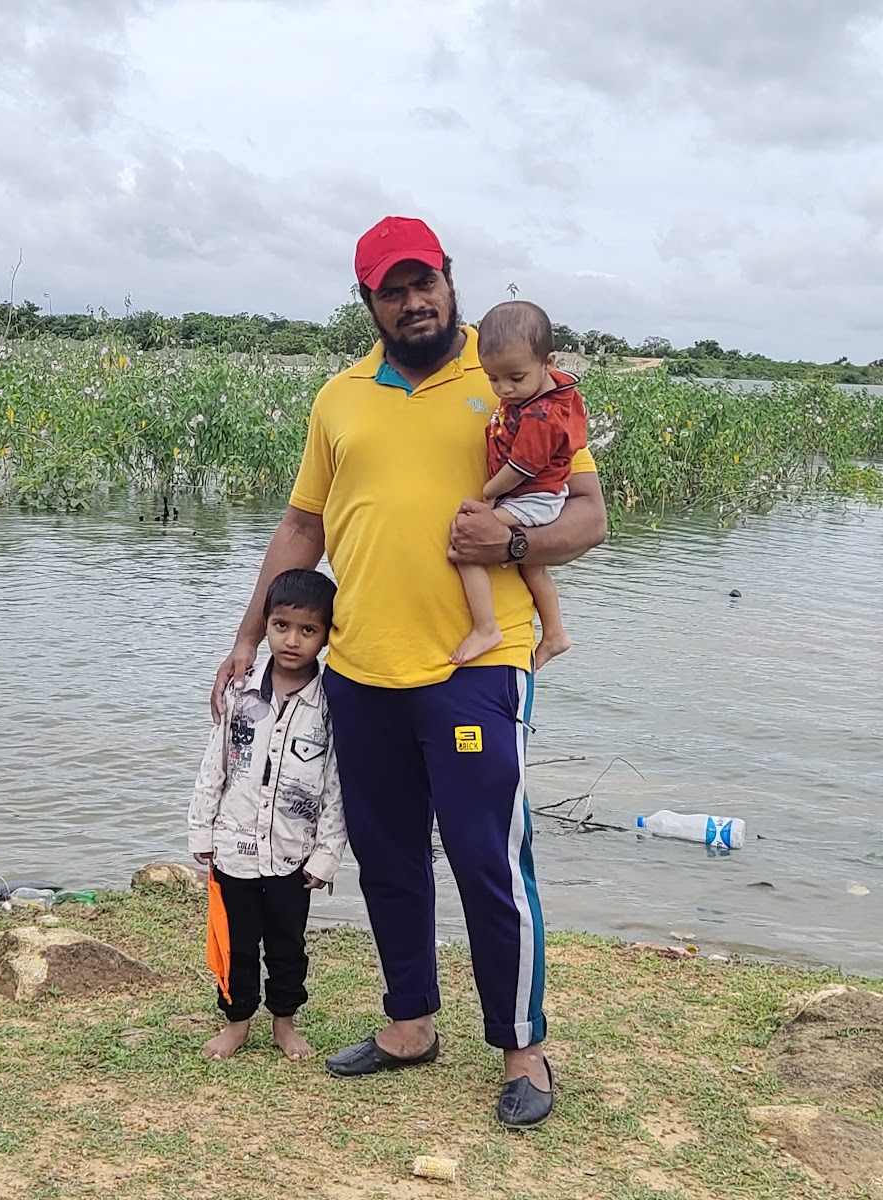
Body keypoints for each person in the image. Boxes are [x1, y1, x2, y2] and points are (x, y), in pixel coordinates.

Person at [210, 216, 606, 1127]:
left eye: (425, 282)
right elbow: (304, 527)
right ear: (368, 302)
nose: (414, 301)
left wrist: (516, 539)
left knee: (487, 861)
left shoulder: (514, 380)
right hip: (360, 669)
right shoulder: (340, 397)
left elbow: (587, 518)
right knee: (388, 858)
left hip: (477, 662)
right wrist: (246, 638)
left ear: (450, 281)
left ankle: (522, 1048)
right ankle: (408, 1025)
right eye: (393, 289)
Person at [189, 568, 347, 1062]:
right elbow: (215, 761)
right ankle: (236, 1023)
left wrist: (325, 856)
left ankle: (284, 1022)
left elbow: (337, 788)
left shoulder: (330, 706)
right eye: (280, 626)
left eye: (308, 630)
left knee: (287, 945)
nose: (292, 640)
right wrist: (201, 825)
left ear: (327, 635)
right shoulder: (239, 692)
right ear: (266, 624)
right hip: (233, 848)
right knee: (235, 945)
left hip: (291, 856)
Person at [451, 300, 586, 668]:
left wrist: (489, 494)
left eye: (515, 378)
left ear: (549, 364)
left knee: (466, 541)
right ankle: (556, 633)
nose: (504, 389)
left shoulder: (541, 414)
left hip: (532, 496)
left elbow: (521, 467)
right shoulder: (541, 394)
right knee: (533, 566)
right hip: (537, 494)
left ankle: (486, 627)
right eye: (493, 379)